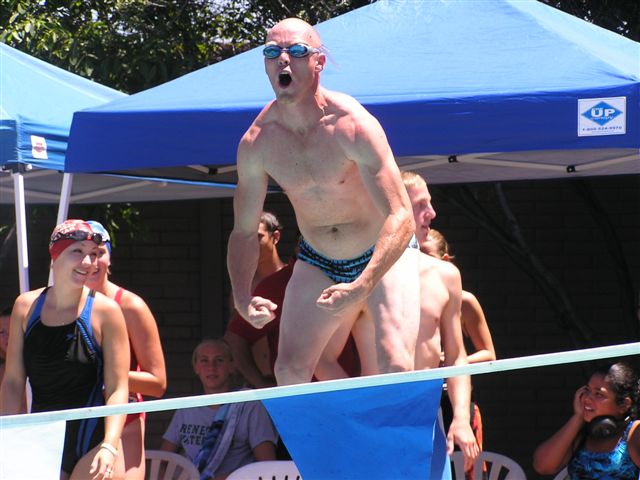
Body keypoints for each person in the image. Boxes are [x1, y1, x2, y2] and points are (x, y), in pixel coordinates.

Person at [227, 17, 420, 386]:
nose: (283, 59)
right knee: (288, 371)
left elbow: (401, 215)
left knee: (395, 364)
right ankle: (336, 428)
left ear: (319, 62)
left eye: (297, 51)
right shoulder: (257, 142)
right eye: (272, 52)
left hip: (382, 252)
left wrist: (364, 282)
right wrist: (241, 298)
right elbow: (243, 232)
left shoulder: (351, 124)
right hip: (319, 259)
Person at [0, 219, 130, 479]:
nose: (88, 262)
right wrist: (6, 435)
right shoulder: (25, 307)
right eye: (77, 252)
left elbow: (117, 387)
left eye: (94, 254)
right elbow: (13, 381)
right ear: (55, 255)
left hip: (94, 442)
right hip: (43, 440)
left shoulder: (107, 312)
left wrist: (109, 444)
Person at [401, 171, 479, 475]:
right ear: (394, 206)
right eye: (421, 205)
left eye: (430, 203)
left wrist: (461, 418)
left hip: (428, 417)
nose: (432, 213)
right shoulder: (361, 275)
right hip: (375, 416)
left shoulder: (445, 276)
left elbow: (457, 355)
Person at [84, 220, 167, 480]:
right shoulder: (58, 307)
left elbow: (158, 383)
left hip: (123, 421)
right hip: (77, 416)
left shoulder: (131, 307)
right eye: (83, 253)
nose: (91, 261)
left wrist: (102, 375)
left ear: (110, 258)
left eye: (99, 253)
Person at [423, 227, 496, 479]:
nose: (421, 265)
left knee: (464, 471)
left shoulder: (464, 301)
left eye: (427, 256)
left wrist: (448, 362)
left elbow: (488, 354)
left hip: (456, 402)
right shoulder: (405, 299)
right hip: (423, 401)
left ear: (444, 261)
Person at [160, 339, 277, 479]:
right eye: (204, 360)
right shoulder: (186, 408)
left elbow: (267, 463)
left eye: (219, 360)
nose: (211, 367)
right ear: (196, 367)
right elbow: (163, 460)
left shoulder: (249, 406)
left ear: (232, 366)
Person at [533, 361, 640, 479]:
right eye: (587, 390)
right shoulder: (582, 435)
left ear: (624, 405)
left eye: (598, 394)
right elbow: (542, 466)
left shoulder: (634, 432)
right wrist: (577, 418)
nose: (587, 399)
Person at [225, 212, 286, 387]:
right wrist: (258, 382)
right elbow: (234, 338)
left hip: (292, 379)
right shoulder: (242, 290)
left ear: (275, 237)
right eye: (247, 238)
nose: (251, 244)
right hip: (255, 384)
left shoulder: (292, 279)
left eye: (258, 237)